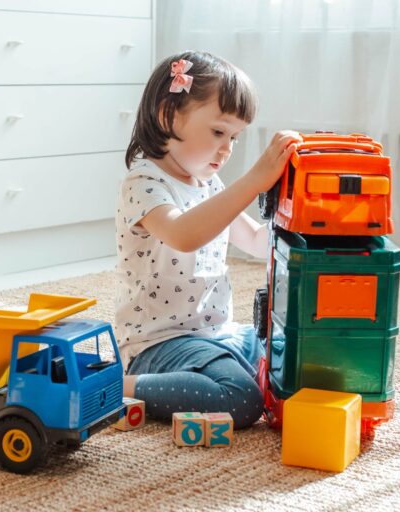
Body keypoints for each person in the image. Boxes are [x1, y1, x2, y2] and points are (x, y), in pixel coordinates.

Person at [115, 50, 301, 429]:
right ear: (169, 116)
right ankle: (119, 386)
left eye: (235, 136)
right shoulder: (144, 183)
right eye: (218, 131)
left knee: (290, 352)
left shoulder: (207, 183)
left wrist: (296, 208)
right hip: (159, 344)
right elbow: (184, 235)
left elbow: (253, 238)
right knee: (242, 398)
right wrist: (253, 180)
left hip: (217, 334)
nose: (227, 148)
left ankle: (218, 371)